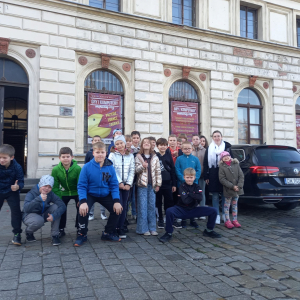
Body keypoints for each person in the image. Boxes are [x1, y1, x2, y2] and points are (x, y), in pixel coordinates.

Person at [74, 142, 122, 246]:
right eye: (97, 152)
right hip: (90, 193)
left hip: (105, 194)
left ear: (106, 153)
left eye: (102, 152)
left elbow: (114, 185)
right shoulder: (86, 167)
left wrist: (116, 201)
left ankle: (107, 233)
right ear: (93, 153)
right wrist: (82, 201)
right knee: (83, 210)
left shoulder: (110, 167)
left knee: (118, 209)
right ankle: (82, 234)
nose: (100, 154)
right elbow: (81, 185)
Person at [159, 168, 221, 243]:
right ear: (184, 177)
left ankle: (209, 230)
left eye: (191, 177)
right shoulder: (182, 187)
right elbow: (185, 201)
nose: (189, 179)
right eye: (187, 177)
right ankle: (168, 233)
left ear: (194, 178)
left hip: (194, 210)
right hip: (181, 209)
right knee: (169, 211)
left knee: (213, 210)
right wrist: (194, 195)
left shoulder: (197, 186)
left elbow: (200, 198)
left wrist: (189, 194)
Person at [22, 175, 66, 246]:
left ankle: (55, 235)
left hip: (43, 213)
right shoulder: (31, 193)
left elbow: (62, 205)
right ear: (41, 184)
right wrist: (38, 199)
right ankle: (28, 232)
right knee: (39, 220)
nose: (47, 189)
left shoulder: (50, 194)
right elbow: (26, 208)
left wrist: (54, 216)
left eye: (49, 187)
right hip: (29, 215)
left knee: (57, 207)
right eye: (45, 186)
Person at [108, 135, 135, 238]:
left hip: (126, 186)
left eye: (121, 143)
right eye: (117, 144)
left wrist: (128, 183)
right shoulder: (112, 155)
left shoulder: (130, 156)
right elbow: (112, 169)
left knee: (124, 206)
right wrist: (119, 182)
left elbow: (132, 170)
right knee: (117, 206)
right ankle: (114, 227)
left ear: (125, 144)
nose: (119, 145)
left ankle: (121, 227)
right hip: (116, 185)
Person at [51, 147, 81, 237]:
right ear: (59, 158)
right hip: (64, 192)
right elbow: (55, 186)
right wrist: (58, 199)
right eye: (63, 157)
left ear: (72, 157)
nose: (66, 159)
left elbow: (81, 184)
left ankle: (79, 227)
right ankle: (61, 228)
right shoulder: (56, 170)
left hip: (76, 191)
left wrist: (81, 198)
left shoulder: (78, 169)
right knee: (61, 208)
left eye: (68, 156)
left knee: (80, 209)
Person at [203, 130, 231, 224]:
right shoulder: (209, 148)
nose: (217, 138)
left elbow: (231, 160)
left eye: (218, 136)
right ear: (212, 138)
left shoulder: (227, 146)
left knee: (224, 195)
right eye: (215, 136)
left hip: (224, 172)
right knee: (214, 195)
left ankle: (224, 214)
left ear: (221, 137)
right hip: (213, 173)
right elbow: (206, 162)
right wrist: (206, 176)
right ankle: (216, 215)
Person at [135, 138, 162, 235]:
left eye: (148, 143)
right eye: (144, 143)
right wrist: (142, 166)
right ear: (142, 145)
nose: (146, 144)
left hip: (152, 185)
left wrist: (158, 184)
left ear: (151, 145)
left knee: (151, 206)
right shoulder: (138, 156)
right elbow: (135, 170)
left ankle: (152, 228)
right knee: (142, 206)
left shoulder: (155, 157)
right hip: (142, 185)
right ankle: (143, 229)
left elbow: (158, 171)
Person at [0, 144, 24, 245]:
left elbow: (21, 182)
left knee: (16, 213)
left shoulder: (17, 167)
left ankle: (17, 234)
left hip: (11, 192)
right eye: (0, 157)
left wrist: (18, 186)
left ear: (12, 157)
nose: (1, 160)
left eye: (4, 158)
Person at [175, 141, 201, 228]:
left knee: (193, 201)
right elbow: (177, 170)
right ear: (182, 149)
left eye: (189, 148)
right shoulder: (179, 159)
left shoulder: (195, 159)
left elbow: (198, 170)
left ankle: (192, 219)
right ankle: (183, 219)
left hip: (193, 184)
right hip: (182, 184)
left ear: (192, 149)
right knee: (183, 201)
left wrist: (194, 179)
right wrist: (183, 179)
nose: (187, 150)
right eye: (185, 148)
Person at [219, 151, 244, 229]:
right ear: (222, 159)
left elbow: (241, 176)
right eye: (224, 156)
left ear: (230, 156)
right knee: (227, 205)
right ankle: (227, 221)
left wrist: (239, 186)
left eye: (227, 155)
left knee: (235, 205)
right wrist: (232, 186)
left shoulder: (236, 164)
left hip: (237, 190)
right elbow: (222, 179)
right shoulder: (222, 167)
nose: (226, 157)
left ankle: (235, 220)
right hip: (228, 190)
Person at [85, 135, 107, 221]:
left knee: (103, 197)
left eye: (99, 140)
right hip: (92, 180)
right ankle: (91, 213)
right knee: (91, 197)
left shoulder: (103, 153)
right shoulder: (89, 153)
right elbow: (86, 164)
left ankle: (103, 213)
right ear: (92, 142)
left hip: (102, 178)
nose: (97, 141)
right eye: (95, 140)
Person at [155, 138, 176, 229]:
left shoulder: (169, 156)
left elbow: (172, 171)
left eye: (164, 145)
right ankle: (160, 218)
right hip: (158, 183)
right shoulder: (155, 156)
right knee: (158, 202)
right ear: (157, 146)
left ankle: (169, 218)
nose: (163, 147)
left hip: (168, 183)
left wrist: (174, 184)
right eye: (161, 145)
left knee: (169, 202)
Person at [166, 134, 183, 228]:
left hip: (179, 176)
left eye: (174, 140)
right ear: (168, 141)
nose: (172, 142)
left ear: (177, 142)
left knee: (178, 197)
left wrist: (178, 155)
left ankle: (178, 216)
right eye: (171, 140)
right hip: (169, 176)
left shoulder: (180, 151)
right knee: (170, 198)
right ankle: (170, 216)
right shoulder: (166, 150)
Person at [128, 130, 141, 220]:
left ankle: (135, 212)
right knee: (130, 194)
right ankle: (129, 211)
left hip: (139, 174)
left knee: (137, 195)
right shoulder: (129, 149)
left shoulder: (141, 149)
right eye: (134, 138)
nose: (136, 140)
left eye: (137, 138)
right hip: (130, 174)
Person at [192, 135, 206, 210]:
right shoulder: (190, 149)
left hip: (201, 175)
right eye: (194, 139)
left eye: (197, 139)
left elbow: (206, 162)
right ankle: (194, 209)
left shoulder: (204, 150)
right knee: (193, 193)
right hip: (191, 176)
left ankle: (202, 210)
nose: (195, 140)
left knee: (201, 192)